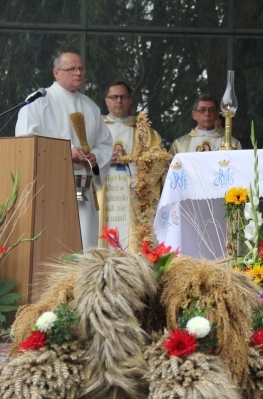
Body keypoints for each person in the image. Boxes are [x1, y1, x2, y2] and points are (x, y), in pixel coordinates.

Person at [15, 51, 112, 250]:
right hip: (49, 184)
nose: (78, 73)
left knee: (84, 239)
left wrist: (96, 157)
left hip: (82, 185)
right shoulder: (38, 102)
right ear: (56, 73)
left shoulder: (90, 106)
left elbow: (104, 143)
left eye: (81, 69)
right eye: (71, 69)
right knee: (52, 242)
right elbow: (25, 141)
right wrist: (66, 152)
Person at [98, 81, 168, 252]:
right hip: (103, 191)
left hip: (132, 192)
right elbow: (84, 157)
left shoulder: (144, 131)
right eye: (114, 97)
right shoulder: (96, 128)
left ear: (130, 101)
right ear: (107, 101)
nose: (119, 101)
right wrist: (105, 158)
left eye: (123, 97)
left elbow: (158, 160)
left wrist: (132, 163)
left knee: (133, 242)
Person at [168, 94, 242, 155]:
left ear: (217, 114)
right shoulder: (180, 144)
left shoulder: (231, 143)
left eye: (211, 110)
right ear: (194, 115)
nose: (207, 114)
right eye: (202, 110)